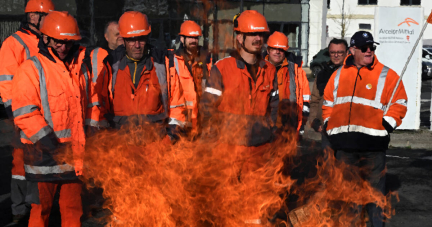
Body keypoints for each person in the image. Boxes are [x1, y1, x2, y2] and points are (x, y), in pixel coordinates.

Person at [12, 11, 97, 226]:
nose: (64, 47)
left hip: (73, 156)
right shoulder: (31, 68)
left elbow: (91, 104)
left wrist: (94, 132)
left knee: (73, 212)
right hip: (43, 157)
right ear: (46, 38)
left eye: (69, 42)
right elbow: (24, 112)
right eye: (59, 42)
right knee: (41, 212)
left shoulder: (81, 68)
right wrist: (48, 141)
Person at [322, 31, 408, 227]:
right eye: (364, 48)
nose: (369, 51)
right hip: (345, 148)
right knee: (349, 197)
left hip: (373, 148)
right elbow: (327, 103)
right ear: (352, 50)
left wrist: (388, 124)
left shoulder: (387, 74)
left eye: (372, 47)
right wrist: (329, 124)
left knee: (375, 196)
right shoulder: (338, 75)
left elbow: (400, 102)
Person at [200, 10, 278, 173]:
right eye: (252, 34)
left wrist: (270, 132)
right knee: (228, 197)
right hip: (228, 149)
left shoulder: (270, 71)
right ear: (240, 38)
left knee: (258, 196)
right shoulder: (222, 69)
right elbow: (207, 108)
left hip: (259, 150)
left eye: (261, 34)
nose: (258, 39)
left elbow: (274, 108)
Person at [0, 0, 54, 224]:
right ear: (33, 17)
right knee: (21, 163)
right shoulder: (14, 44)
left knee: (41, 160)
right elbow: (6, 81)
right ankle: (19, 208)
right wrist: (16, 115)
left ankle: (36, 205)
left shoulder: (46, 40)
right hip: (22, 114)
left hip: (45, 114)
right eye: (46, 17)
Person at [107, 11, 185, 142]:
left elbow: (177, 105)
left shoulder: (163, 64)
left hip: (155, 147)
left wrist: (171, 137)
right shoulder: (110, 66)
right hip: (121, 149)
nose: (137, 45)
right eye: (132, 40)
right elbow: (101, 108)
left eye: (141, 39)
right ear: (123, 39)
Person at [265, 31, 310, 139]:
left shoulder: (296, 71)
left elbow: (305, 101)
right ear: (268, 50)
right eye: (274, 49)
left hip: (288, 129)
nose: (277, 52)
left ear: (285, 51)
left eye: (281, 49)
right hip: (264, 128)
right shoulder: (258, 69)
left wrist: (301, 125)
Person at [170, 20, 212, 137]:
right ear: (182, 39)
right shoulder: (172, 60)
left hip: (202, 122)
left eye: (196, 38)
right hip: (180, 124)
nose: (193, 41)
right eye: (190, 37)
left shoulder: (206, 60)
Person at [310, 38, 348, 150]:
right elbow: (315, 100)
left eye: (340, 52)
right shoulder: (322, 74)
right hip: (327, 130)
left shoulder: (354, 72)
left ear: (347, 53)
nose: (336, 55)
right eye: (333, 52)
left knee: (346, 166)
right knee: (328, 165)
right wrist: (314, 121)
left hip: (348, 132)